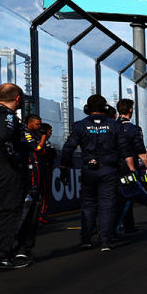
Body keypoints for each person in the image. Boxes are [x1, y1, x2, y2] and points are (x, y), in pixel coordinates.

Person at [59, 94, 136, 251]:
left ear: (87, 109)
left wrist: (64, 168)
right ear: (105, 108)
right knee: (107, 205)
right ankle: (105, 240)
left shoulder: (80, 125)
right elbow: (124, 149)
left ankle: (86, 239)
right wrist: (132, 169)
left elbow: (68, 148)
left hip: (89, 169)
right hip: (109, 169)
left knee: (88, 204)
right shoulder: (114, 125)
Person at [0, 83, 29, 269]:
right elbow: (4, 139)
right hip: (5, 170)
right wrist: (16, 158)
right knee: (9, 210)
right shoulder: (6, 117)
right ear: (18, 98)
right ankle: (2, 255)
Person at [14, 114, 53, 262]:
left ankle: (26, 245)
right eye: (37, 124)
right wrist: (42, 140)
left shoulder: (36, 134)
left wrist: (41, 143)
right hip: (30, 170)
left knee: (38, 200)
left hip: (40, 168)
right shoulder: (26, 133)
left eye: (40, 124)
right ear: (29, 123)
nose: (39, 127)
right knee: (30, 202)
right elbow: (36, 149)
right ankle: (17, 244)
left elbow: (43, 151)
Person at [115, 99, 147, 234]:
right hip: (128, 168)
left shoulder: (112, 126)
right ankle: (115, 228)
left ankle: (128, 225)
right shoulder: (133, 129)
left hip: (112, 167)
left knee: (116, 197)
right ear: (130, 110)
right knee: (127, 197)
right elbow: (141, 151)